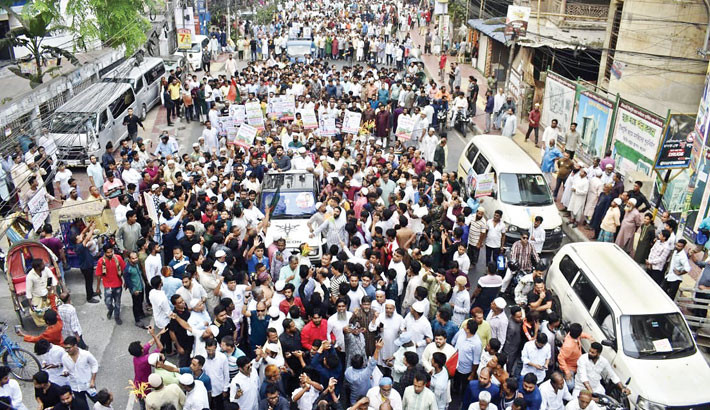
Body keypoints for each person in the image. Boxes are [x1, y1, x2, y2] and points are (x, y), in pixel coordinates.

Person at [61, 336, 99, 408]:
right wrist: (65, 372)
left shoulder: (85, 354)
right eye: (65, 348)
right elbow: (65, 368)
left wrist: (93, 380)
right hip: (75, 387)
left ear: (75, 345)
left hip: (88, 384)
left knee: (98, 402)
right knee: (82, 407)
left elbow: (94, 364)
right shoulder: (64, 357)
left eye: (68, 348)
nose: (67, 350)